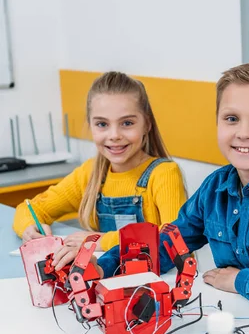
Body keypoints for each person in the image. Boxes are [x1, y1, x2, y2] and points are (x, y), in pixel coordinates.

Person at [99, 61, 249, 317]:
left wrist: (239, 281)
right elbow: (166, 245)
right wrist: (103, 266)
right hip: (237, 318)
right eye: (231, 119)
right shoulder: (215, 187)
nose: (244, 133)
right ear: (217, 123)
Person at [13, 71, 187, 271]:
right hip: (102, 280)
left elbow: (173, 243)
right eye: (102, 124)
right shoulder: (90, 174)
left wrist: (101, 241)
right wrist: (29, 228)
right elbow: (29, 209)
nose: (114, 135)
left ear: (146, 124)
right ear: (91, 125)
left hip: (154, 284)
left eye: (127, 123)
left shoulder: (164, 174)